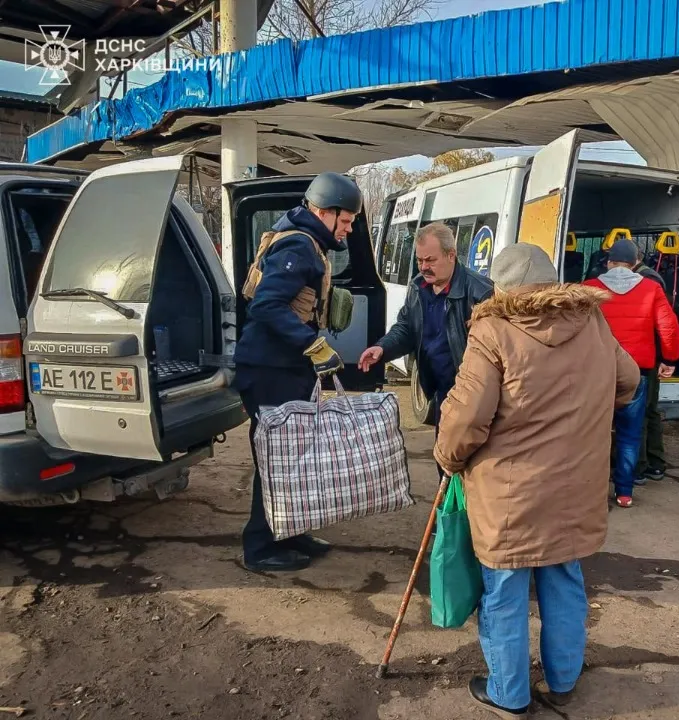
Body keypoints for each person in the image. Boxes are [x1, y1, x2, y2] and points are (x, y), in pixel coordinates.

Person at [434, 243, 640, 719]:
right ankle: (564, 680)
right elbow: (628, 382)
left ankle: (509, 693)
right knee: (564, 578)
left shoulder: (492, 330)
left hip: (511, 493)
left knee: (504, 588)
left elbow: (467, 421)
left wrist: (447, 458)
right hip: (575, 488)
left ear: (501, 289)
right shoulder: (592, 321)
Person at [233, 172, 362, 573]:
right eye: (346, 219)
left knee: (293, 458)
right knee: (276, 459)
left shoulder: (307, 242)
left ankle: (289, 532)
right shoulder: (298, 247)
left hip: (284, 367)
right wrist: (311, 344)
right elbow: (266, 306)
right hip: (270, 369)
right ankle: (259, 548)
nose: (349, 226)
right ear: (324, 211)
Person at [358, 221, 493, 477]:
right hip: (442, 395)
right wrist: (382, 349)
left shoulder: (481, 293)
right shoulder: (418, 287)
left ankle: (468, 516)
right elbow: (406, 328)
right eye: (419, 260)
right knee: (444, 464)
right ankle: (447, 515)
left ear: (451, 255)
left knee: (472, 470)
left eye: (430, 260)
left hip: (473, 399)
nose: (423, 267)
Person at [584, 239, 679, 508]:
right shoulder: (651, 288)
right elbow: (669, 328)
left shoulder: (590, 289)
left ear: (609, 262)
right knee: (630, 431)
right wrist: (670, 359)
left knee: (594, 431)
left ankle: (591, 491)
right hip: (638, 371)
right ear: (635, 263)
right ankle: (624, 493)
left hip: (597, 371)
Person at [631, 256, 670, 484]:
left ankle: (641, 465)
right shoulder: (649, 278)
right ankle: (655, 463)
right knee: (649, 410)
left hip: (646, 355)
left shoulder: (647, 280)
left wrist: (666, 358)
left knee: (643, 411)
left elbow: (662, 323)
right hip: (649, 355)